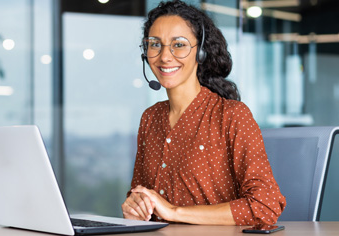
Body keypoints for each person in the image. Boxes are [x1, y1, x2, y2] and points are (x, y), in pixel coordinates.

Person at [121, 0, 286, 226]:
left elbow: (265, 206)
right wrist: (135, 205)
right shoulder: (150, 118)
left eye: (178, 45)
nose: (164, 57)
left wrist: (174, 212)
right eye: (155, 44)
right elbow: (140, 194)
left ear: (200, 51)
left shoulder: (232, 115)